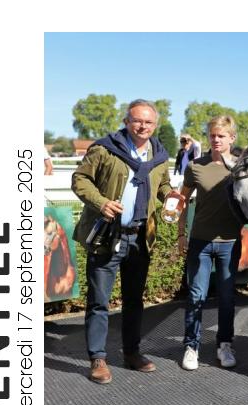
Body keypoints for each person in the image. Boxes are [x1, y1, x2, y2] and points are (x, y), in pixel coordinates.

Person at [71, 99, 173, 384]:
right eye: (137, 120)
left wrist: (171, 197)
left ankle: (131, 352)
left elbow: (163, 184)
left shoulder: (159, 155)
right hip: (107, 235)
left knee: (134, 300)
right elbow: (80, 180)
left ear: (155, 125)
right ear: (127, 121)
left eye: (148, 122)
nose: (143, 126)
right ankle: (98, 358)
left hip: (141, 236)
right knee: (99, 301)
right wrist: (101, 202)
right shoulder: (105, 149)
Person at [169, 115, 244, 371]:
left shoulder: (240, 168)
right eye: (212, 135)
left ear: (232, 138)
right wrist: (181, 235)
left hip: (230, 243)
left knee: (226, 298)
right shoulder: (195, 166)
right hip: (200, 241)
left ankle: (224, 345)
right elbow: (180, 201)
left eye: (221, 136)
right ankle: (192, 346)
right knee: (196, 295)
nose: (216, 140)